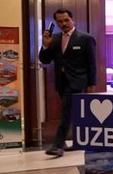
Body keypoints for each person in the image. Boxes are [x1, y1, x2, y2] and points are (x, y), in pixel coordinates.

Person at [38, 8, 97, 157]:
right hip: (61, 82)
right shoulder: (55, 38)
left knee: (66, 111)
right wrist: (45, 45)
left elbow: (92, 63)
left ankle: (57, 145)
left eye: (66, 20)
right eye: (60, 21)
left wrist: (91, 84)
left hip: (78, 81)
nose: (63, 23)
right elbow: (45, 60)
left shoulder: (85, 38)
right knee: (70, 111)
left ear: (72, 20)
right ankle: (76, 141)